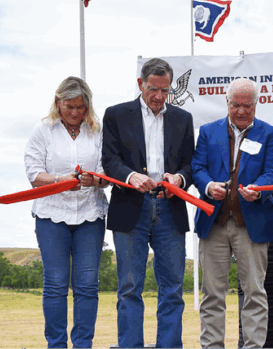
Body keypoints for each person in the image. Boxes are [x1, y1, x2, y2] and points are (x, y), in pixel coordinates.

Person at [101, 58, 195, 348]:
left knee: (173, 289)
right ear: (140, 84)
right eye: (153, 89)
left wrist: (179, 179)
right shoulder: (116, 115)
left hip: (170, 209)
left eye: (165, 91)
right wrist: (131, 177)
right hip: (130, 207)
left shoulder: (183, 118)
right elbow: (109, 160)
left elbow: (190, 163)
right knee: (130, 287)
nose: (158, 97)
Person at [192, 78, 273, 348]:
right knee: (212, 294)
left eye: (247, 105)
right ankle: (212, 346)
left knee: (254, 293)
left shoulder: (270, 134)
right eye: (236, 105)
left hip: (251, 224)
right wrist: (209, 186)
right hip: (214, 223)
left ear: (256, 104)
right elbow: (197, 167)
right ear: (227, 102)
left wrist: (260, 189)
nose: (241, 111)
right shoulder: (208, 132)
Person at [23, 76, 110, 348]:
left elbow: (110, 172)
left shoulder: (98, 131)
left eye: (81, 107)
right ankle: (56, 344)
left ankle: (83, 344)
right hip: (51, 215)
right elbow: (34, 174)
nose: (75, 113)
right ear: (57, 103)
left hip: (90, 215)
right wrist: (60, 181)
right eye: (69, 106)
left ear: (88, 107)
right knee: (56, 284)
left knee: (87, 285)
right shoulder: (42, 130)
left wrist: (95, 180)